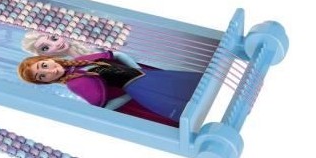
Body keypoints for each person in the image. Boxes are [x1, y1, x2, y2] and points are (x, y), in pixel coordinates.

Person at [17, 46, 202, 127]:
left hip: (151, 78)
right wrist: (132, 92)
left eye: (43, 65)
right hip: (144, 95)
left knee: (193, 88)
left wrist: (138, 71)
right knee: (182, 106)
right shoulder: (74, 84)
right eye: (42, 76)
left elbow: (117, 54)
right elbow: (105, 107)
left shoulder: (80, 60)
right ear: (45, 82)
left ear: (47, 59)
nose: (49, 71)